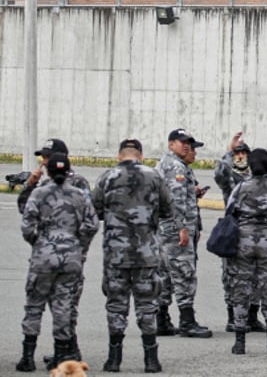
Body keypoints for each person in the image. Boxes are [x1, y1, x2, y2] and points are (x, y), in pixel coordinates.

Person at [91, 138, 173, 373]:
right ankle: (151, 360)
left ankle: (114, 359)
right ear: (141, 155)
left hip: (116, 253)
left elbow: (94, 210)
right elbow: (168, 209)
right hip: (146, 252)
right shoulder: (154, 176)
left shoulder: (107, 177)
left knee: (116, 304)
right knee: (147, 305)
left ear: (119, 156)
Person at [16, 153, 99, 372]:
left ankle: (27, 357)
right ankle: (61, 357)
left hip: (43, 256)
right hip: (71, 257)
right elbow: (92, 224)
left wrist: (39, 241)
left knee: (34, 304)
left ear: (50, 171)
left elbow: (27, 225)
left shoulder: (39, 193)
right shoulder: (79, 195)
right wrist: (75, 243)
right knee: (63, 306)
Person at [227, 148, 267, 356]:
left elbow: (230, 212)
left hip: (243, 241)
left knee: (241, 288)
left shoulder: (241, 187)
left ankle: (239, 342)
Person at [155, 128, 212, 338]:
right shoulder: (176, 166)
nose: (187, 146)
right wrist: (182, 228)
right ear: (171, 144)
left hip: (164, 228)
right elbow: (176, 200)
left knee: (165, 275)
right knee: (184, 273)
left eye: (188, 142)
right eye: (182, 142)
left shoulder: (167, 163)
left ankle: (160, 320)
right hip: (174, 229)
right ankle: (187, 321)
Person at [213, 133, 264, 333]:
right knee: (232, 276)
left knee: (257, 276)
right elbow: (219, 174)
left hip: (255, 232)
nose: (241, 156)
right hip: (234, 230)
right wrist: (229, 152)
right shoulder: (230, 178)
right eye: (238, 154)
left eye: (244, 153)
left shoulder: (256, 178)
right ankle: (232, 316)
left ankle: (252, 315)